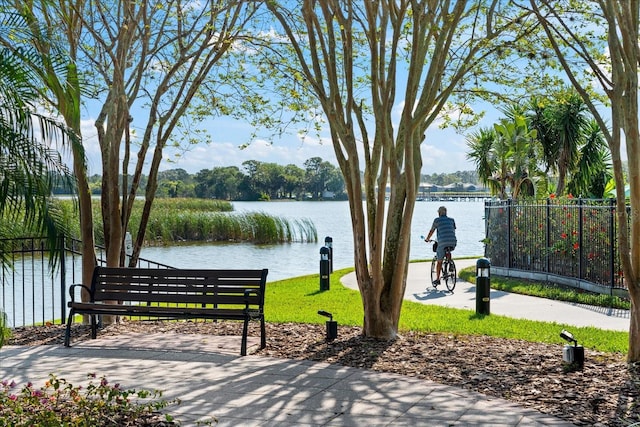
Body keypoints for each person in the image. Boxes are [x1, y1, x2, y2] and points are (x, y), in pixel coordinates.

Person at [424, 206, 457, 286]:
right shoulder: (452, 220)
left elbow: (432, 231)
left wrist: (427, 239)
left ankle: (438, 279)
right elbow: (453, 229)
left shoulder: (437, 220)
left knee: (439, 261)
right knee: (448, 249)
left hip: (442, 242)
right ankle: (450, 263)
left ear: (439, 213)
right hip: (453, 241)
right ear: (446, 212)